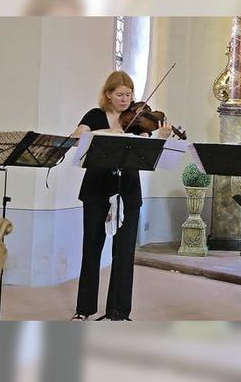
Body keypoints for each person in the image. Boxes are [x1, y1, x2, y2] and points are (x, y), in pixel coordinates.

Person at [71, 70, 172, 321]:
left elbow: (148, 151)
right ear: (108, 94)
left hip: (127, 191)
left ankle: (118, 311)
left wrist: (161, 137)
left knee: (124, 252)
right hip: (96, 189)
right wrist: (107, 134)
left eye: (129, 94)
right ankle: (84, 310)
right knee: (91, 249)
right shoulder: (94, 116)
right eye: (120, 94)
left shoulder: (138, 123)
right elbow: (76, 137)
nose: (125, 99)